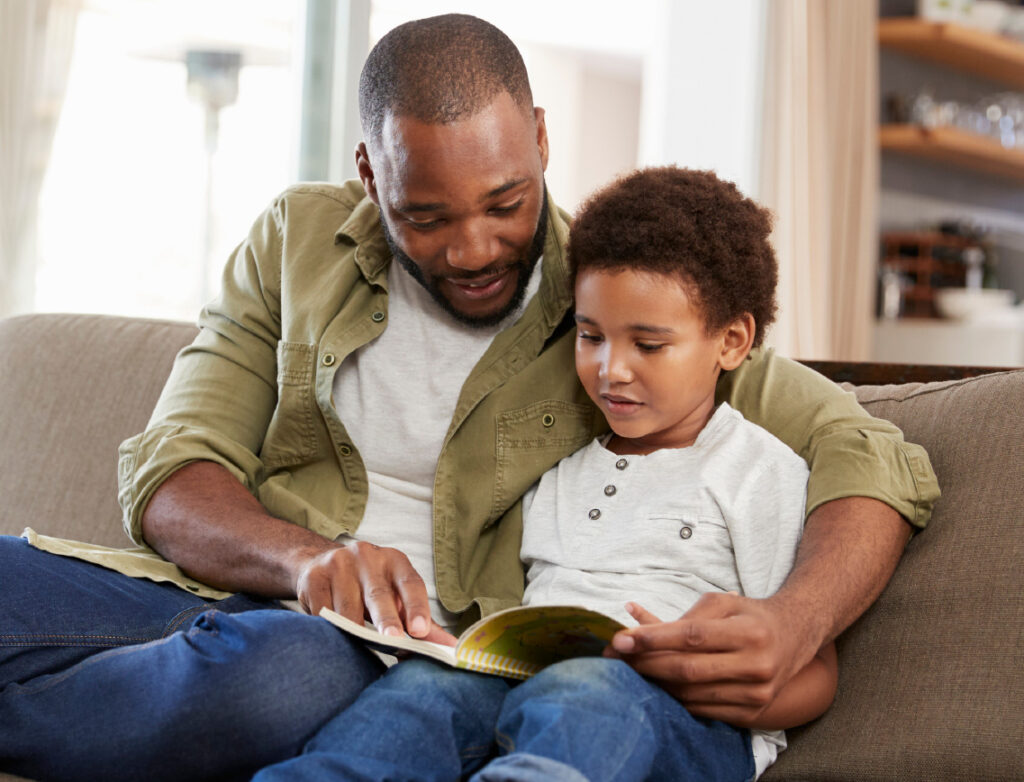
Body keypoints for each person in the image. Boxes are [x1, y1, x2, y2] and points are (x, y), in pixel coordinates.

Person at [0, 13, 937, 782]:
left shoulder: (614, 296)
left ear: (539, 138)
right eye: (427, 215)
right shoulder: (298, 240)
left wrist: (794, 621)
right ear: (370, 174)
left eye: (506, 202)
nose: (476, 248)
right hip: (219, 598)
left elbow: (871, 454)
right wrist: (307, 562)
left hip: (350, 661)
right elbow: (175, 470)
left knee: (283, 679)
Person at [252, 166, 839, 782]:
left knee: (590, 692)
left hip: (681, 720)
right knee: (421, 692)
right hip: (529, 687)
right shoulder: (559, 469)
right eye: (591, 337)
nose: (612, 370)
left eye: (649, 345)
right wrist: (467, 649)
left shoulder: (757, 470)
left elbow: (815, 671)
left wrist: (706, 680)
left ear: (732, 341)